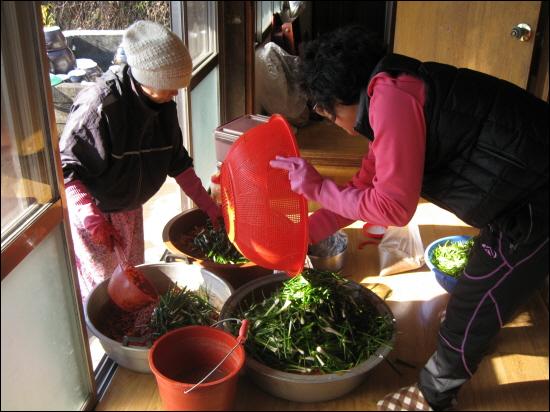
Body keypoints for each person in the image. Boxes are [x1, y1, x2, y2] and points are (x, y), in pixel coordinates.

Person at [270, 25, 548, 411]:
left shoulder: (392, 102)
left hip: (535, 199)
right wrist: (301, 236)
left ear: (340, 99)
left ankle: (433, 394)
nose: (339, 127)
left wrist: (317, 189)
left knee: (474, 298)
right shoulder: (389, 87)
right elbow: (364, 186)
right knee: (490, 289)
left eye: (332, 117)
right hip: (522, 184)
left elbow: (394, 208)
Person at [60, 20, 221, 300]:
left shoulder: (163, 107)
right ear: (148, 78)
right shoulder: (100, 107)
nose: (176, 93)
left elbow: (178, 163)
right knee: (105, 285)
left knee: (132, 276)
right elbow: (67, 170)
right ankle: (109, 338)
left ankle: (135, 324)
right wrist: (91, 218)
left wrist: (208, 205)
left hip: (129, 209)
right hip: (96, 213)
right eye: (171, 86)